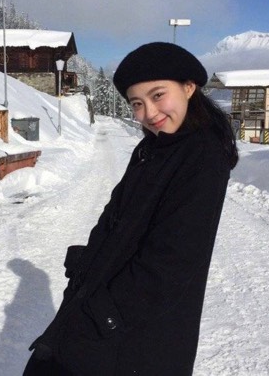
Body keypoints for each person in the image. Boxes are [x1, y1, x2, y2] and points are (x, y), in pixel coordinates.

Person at [23, 42, 238, 375]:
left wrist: (102, 313)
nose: (149, 113)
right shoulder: (153, 147)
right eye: (137, 103)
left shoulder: (202, 155)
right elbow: (116, 216)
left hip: (133, 329)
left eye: (158, 95)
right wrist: (87, 263)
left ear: (189, 87)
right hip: (104, 306)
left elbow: (171, 262)